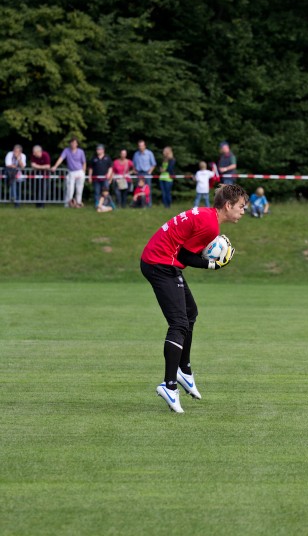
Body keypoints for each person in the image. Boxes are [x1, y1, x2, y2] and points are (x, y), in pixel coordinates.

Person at [140, 183, 248, 413]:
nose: (243, 210)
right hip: (159, 263)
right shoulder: (210, 225)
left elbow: (184, 251)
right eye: (241, 206)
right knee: (179, 323)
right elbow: (185, 256)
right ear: (228, 205)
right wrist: (214, 264)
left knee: (190, 313)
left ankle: (184, 370)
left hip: (162, 261)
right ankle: (169, 385)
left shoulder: (208, 217)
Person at [51, 137, 86, 208]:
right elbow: (61, 158)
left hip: (80, 171)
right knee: (70, 189)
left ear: (77, 144)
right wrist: (55, 166)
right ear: (70, 143)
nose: (73, 144)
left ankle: (78, 203)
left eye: (75, 143)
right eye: (72, 143)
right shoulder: (66, 151)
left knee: (79, 189)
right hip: (71, 172)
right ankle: (68, 204)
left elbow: (84, 162)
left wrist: (83, 172)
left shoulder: (81, 151)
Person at [132, 140, 156, 206]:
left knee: (148, 189)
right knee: (138, 189)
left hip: (147, 173)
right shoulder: (136, 154)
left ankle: (149, 204)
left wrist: (150, 171)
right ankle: (139, 204)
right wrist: (135, 171)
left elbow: (153, 164)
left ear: (145, 146)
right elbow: (133, 164)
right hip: (139, 173)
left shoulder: (149, 153)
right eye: (139, 146)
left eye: (142, 146)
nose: (141, 147)